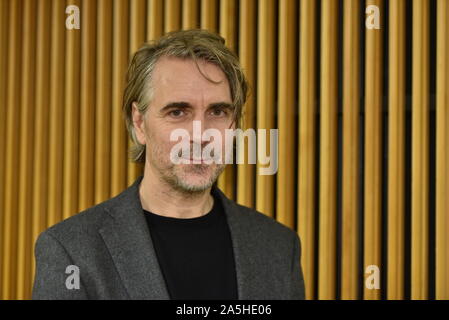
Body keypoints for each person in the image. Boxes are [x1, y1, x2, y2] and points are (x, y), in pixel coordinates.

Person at [32, 29, 305, 300]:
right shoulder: (71, 250)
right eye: (177, 112)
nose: (200, 135)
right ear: (139, 123)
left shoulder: (279, 247)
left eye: (218, 111)